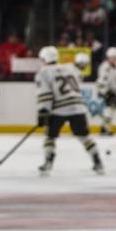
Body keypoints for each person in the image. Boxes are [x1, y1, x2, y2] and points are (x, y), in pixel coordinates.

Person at [35, 47, 104, 176]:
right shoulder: (70, 67)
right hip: (78, 106)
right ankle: (97, 161)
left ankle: (48, 162)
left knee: (50, 136)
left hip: (59, 109)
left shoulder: (43, 72)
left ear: (44, 58)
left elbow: (45, 93)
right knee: (84, 136)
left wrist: (42, 111)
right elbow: (79, 76)